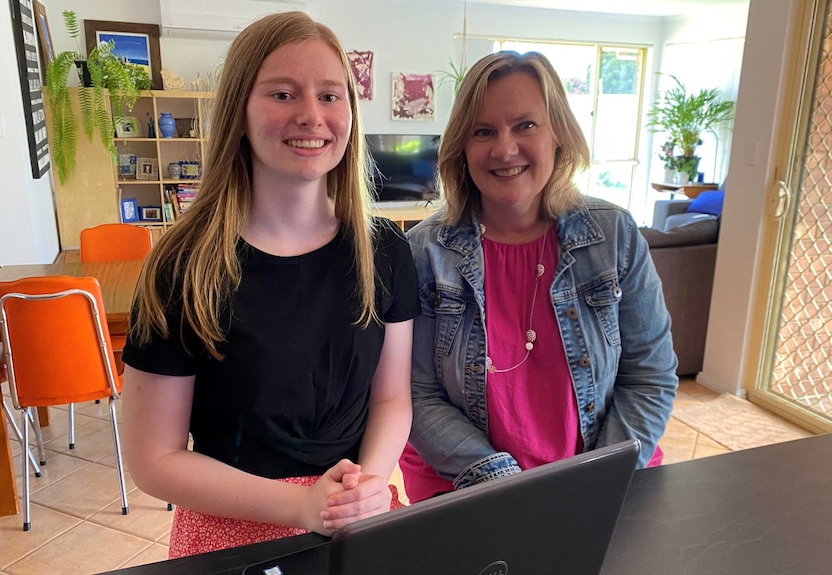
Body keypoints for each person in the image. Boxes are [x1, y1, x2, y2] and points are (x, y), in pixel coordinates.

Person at [121, 11, 419, 558]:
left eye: (331, 96)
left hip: (356, 513)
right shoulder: (182, 267)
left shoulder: (387, 254)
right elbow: (154, 460)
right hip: (231, 521)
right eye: (283, 94)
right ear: (238, 110)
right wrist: (302, 507)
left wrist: (366, 488)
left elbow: (393, 399)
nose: (312, 115)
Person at [400, 50, 678, 503]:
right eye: (483, 131)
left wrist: (596, 478)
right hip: (463, 482)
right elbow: (417, 393)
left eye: (525, 125)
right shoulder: (424, 252)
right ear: (460, 147)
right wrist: (504, 485)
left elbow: (650, 377)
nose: (505, 149)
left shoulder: (614, 235)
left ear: (559, 135)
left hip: (607, 475)